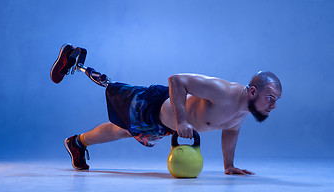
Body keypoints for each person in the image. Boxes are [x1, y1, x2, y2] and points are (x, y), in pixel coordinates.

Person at [50, 43, 282, 175]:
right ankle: (74, 61)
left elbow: (231, 131)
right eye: (270, 98)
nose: (273, 105)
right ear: (252, 91)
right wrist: (182, 121)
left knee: (121, 130)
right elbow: (177, 80)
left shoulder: (243, 110)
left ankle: (77, 143)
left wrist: (229, 166)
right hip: (153, 105)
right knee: (112, 87)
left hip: (163, 126)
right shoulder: (225, 91)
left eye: (276, 101)